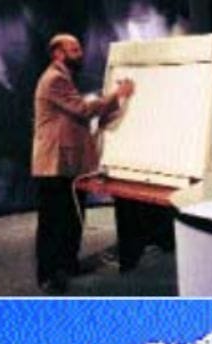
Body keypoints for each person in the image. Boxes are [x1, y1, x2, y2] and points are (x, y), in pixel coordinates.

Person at [32, 33, 134, 294]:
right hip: (54, 164)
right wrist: (117, 95)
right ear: (58, 53)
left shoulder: (64, 78)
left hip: (68, 163)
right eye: (74, 50)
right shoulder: (55, 79)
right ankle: (49, 275)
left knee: (71, 218)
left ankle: (67, 264)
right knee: (54, 221)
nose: (81, 53)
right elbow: (83, 111)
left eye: (79, 48)